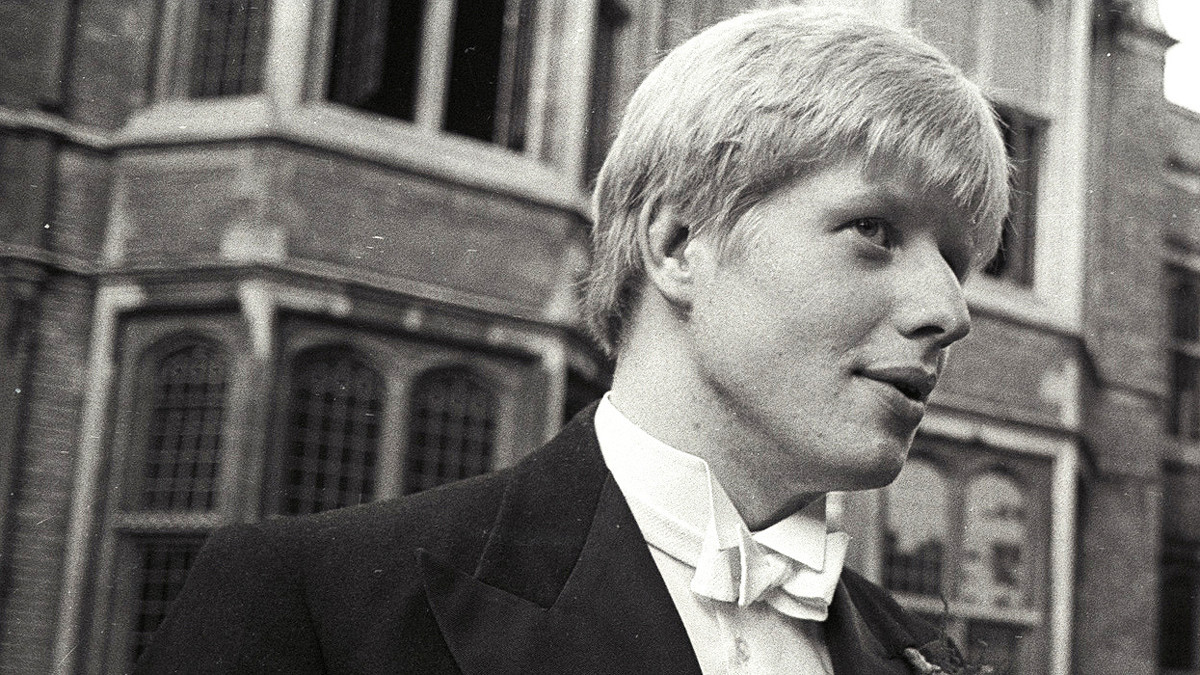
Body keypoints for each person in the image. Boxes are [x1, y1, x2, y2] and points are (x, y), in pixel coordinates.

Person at [135, 6, 1008, 674]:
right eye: (873, 228)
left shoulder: (923, 659)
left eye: (958, 261)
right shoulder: (314, 608)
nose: (948, 308)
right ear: (678, 245)